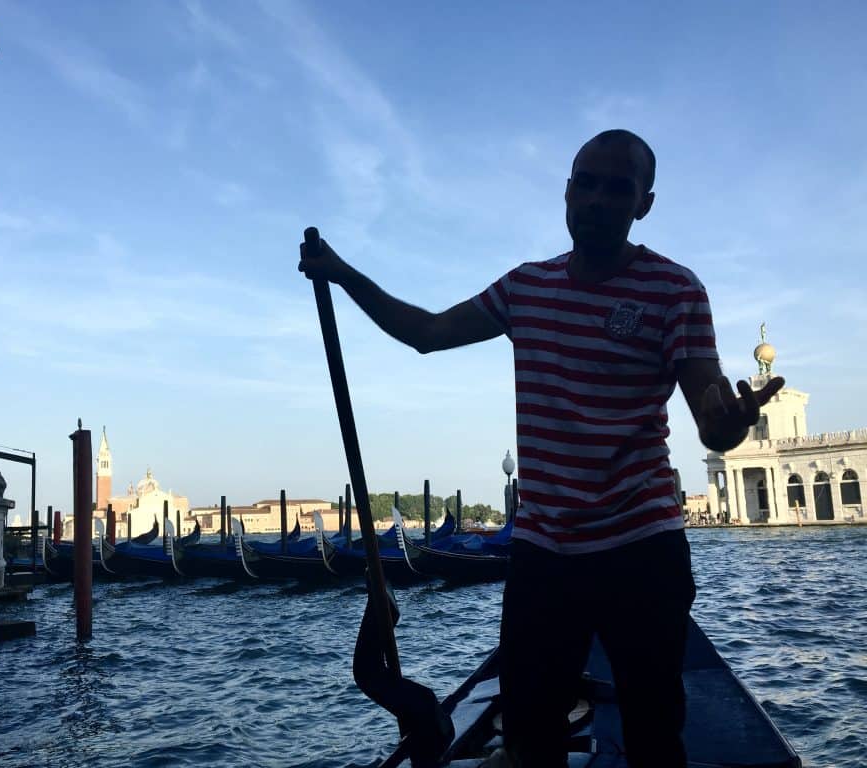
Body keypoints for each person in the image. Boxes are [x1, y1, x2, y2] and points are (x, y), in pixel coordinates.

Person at [299, 129, 783, 767]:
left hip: (642, 549)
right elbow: (425, 332)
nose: (598, 199)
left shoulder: (675, 290)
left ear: (644, 204)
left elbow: (711, 423)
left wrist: (734, 423)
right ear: (567, 191)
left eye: (619, 188)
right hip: (544, 552)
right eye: (586, 182)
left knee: (653, 735)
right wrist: (341, 274)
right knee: (529, 733)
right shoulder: (524, 288)